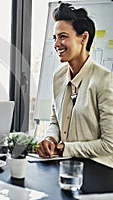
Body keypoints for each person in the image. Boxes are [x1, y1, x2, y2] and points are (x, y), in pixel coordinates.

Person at [36, 3, 113, 167]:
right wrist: (50, 138)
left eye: (63, 36)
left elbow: (109, 144)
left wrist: (64, 148)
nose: (56, 44)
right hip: (64, 166)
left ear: (83, 38)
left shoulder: (105, 80)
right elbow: (55, 121)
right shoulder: (58, 76)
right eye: (54, 38)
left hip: (99, 171)